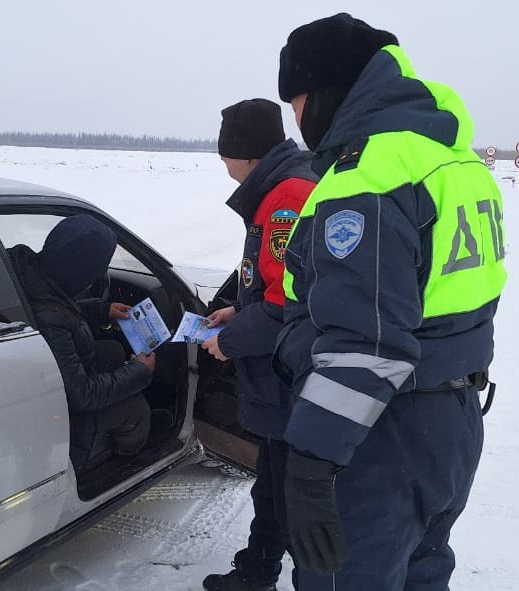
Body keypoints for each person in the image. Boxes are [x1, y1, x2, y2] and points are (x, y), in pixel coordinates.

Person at [273, 14, 507, 590]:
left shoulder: (368, 174)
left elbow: (367, 345)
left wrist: (311, 462)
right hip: (452, 420)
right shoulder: (455, 160)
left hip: (379, 433)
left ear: (328, 89)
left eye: (297, 102)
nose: (298, 121)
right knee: (420, 574)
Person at [200, 98, 317, 591]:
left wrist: (231, 340)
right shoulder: (281, 183)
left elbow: (288, 304)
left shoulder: (286, 195)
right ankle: (259, 569)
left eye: (225, 154)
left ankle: (286, 574)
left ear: (245, 153)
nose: (223, 163)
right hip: (287, 370)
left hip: (288, 371)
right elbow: (275, 286)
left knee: (290, 490)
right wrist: (238, 310)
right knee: (274, 480)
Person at [7, 214, 158, 470]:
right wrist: (138, 372)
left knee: (112, 350)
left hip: (34, 379)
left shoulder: (31, 273)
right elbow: (81, 396)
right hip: (58, 413)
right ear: (83, 270)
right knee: (137, 409)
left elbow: (58, 306)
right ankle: (114, 461)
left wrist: (102, 309)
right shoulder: (50, 317)